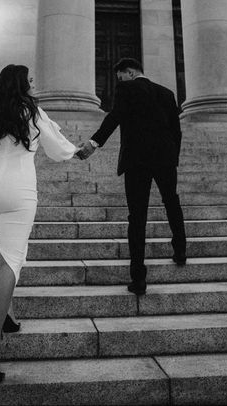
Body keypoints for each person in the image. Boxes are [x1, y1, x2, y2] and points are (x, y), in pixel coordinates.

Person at [0, 64, 77, 384]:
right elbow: (55, 146)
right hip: (18, 189)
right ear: (22, 84)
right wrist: (75, 151)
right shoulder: (32, 110)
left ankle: (8, 316)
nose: (33, 85)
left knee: (8, 250)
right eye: (30, 81)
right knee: (12, 258)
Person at [77, 58, 186, 296]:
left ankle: (139, 279)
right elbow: (176, 130)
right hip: (165, 159)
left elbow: (114, 117)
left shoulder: (126, 89)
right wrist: (173, 157)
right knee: (172, 201)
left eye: (120, 77)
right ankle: (180, 250)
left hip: (136, 161)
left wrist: (94, 143)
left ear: (129, 72)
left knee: (137, 217)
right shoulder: (167, 93)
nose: (119, 81)